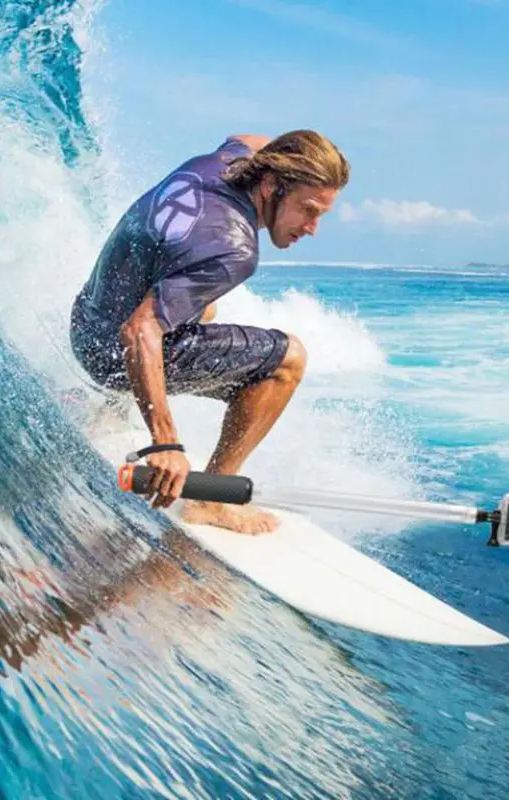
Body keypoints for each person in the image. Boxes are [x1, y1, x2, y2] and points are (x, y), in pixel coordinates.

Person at [70, 130, 350, 534]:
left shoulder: (227, 161)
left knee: (202, 304)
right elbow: (140, 329)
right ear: (271, 185)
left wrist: (306, 157)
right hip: (110, 354)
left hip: (86, 320)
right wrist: (164, 443)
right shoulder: (233, 251)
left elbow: (247, 137)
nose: (313, 227)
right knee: (288, 360)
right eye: (307, 209)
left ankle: (109, 405)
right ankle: (210, 502)